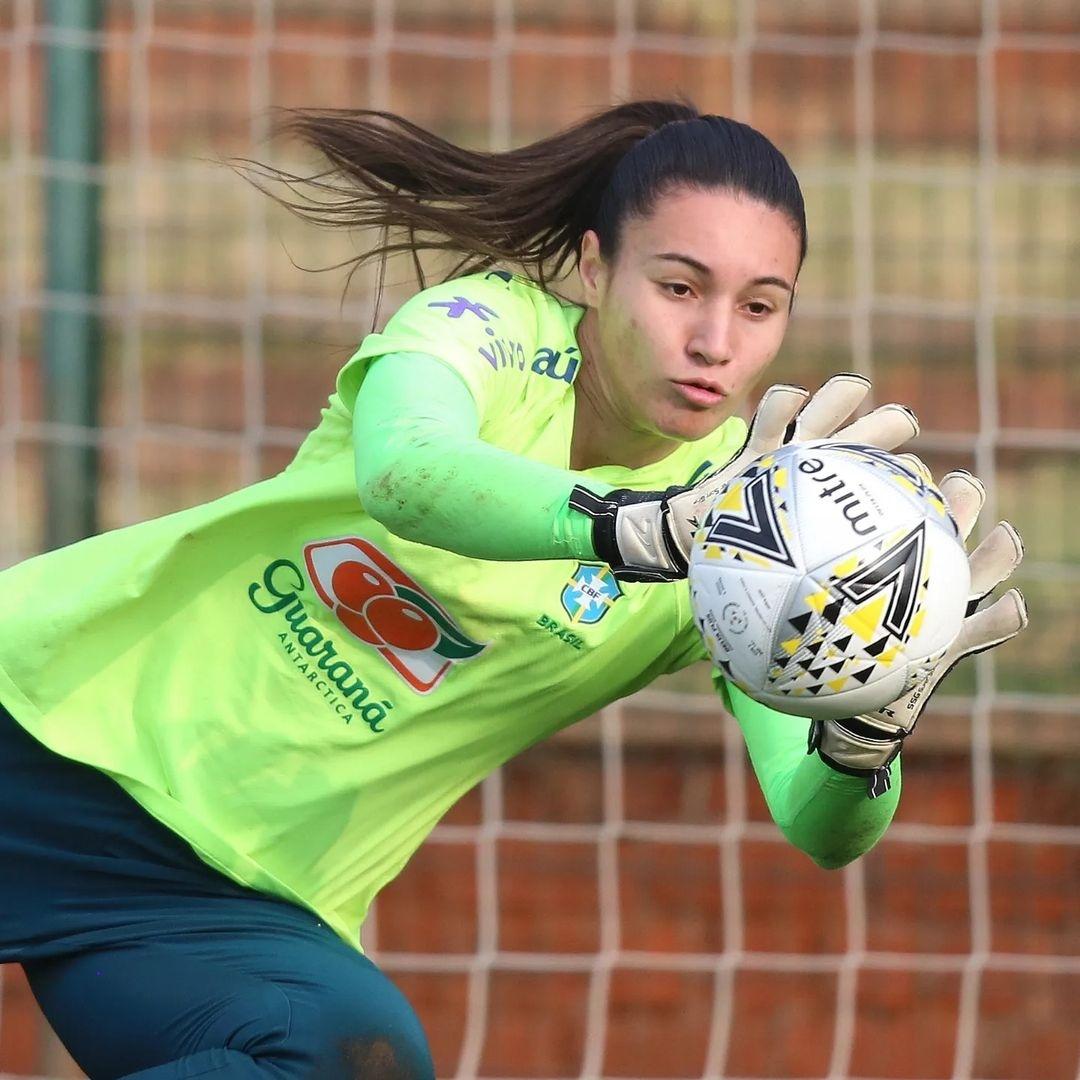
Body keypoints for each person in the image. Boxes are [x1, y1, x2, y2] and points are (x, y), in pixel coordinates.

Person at [0, 101, 1027, 1079]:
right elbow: (404, 470)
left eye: (759, 308)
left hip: (225, 902)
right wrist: (627, 527)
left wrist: (861, 741)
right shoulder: (485, 326)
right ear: (593, 267)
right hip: (42, 723)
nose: (716, 341)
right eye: (678, 288)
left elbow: (817, 824)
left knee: (350, 1054)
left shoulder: (752, 544)